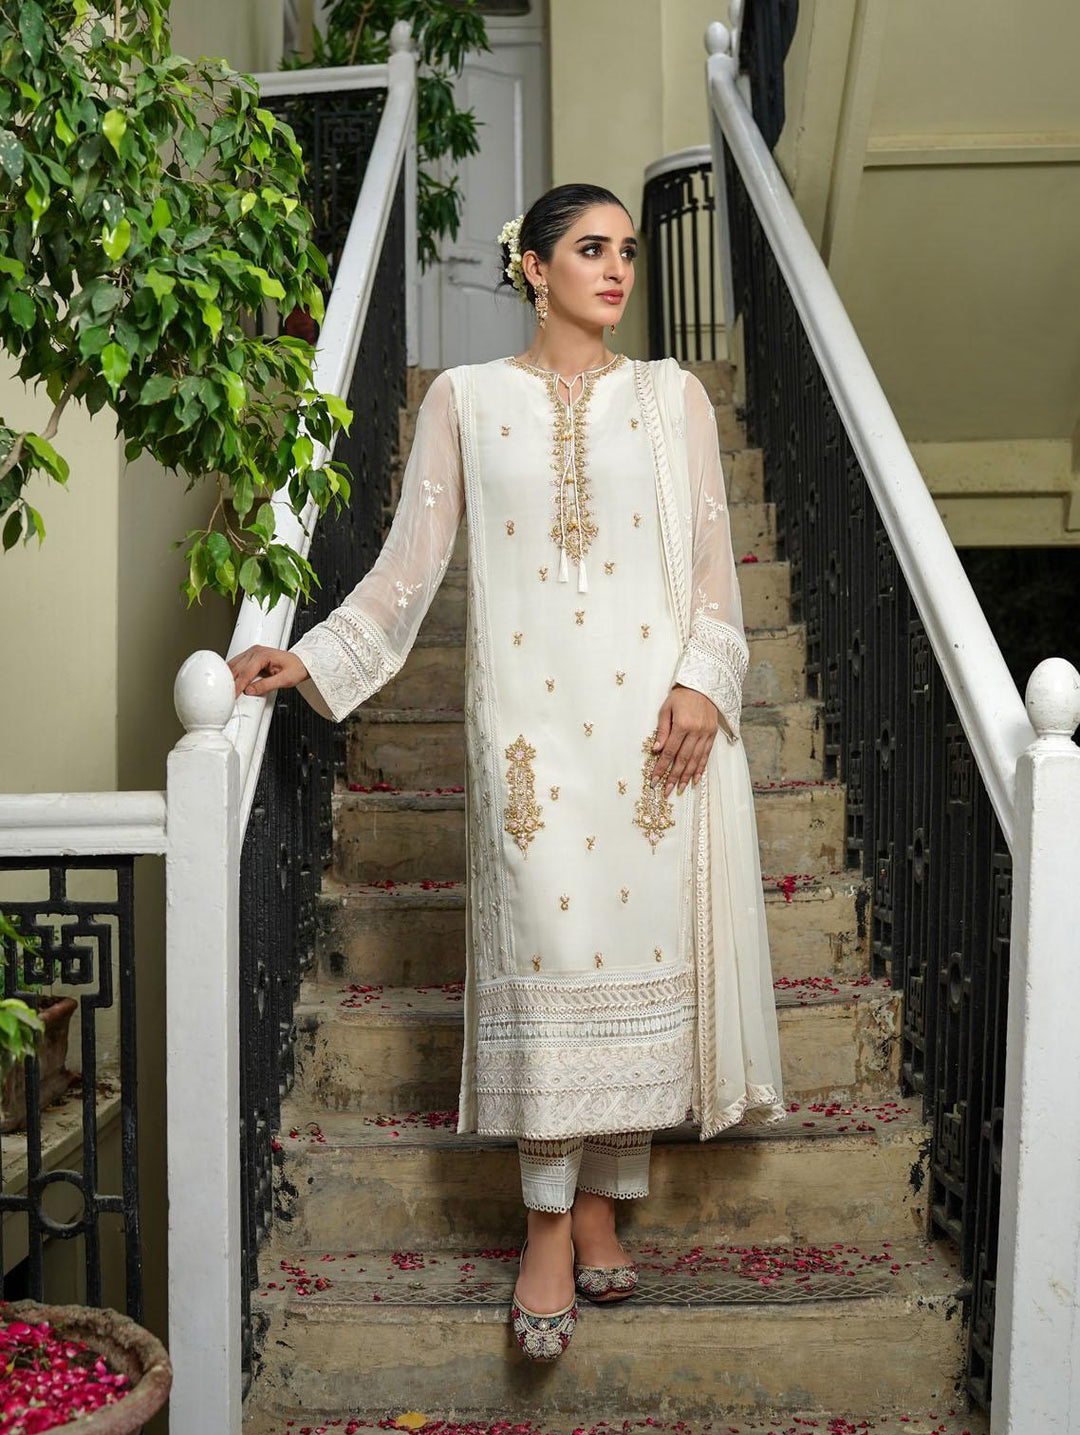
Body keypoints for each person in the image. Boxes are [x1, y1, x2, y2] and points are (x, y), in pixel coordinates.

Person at [228, 183, 785, 1364]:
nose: (617, 269)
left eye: (626, 250)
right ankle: (544, 1224)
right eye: (590, 249)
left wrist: (703, 682)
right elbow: (408, 566)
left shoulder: (672, 397)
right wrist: (314, 656)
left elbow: (710, 566)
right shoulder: (467, 403)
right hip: (531, 733)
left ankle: (602, 1206)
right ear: (532, 267)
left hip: (649, 726)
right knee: (550, 953)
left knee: (630, 951)